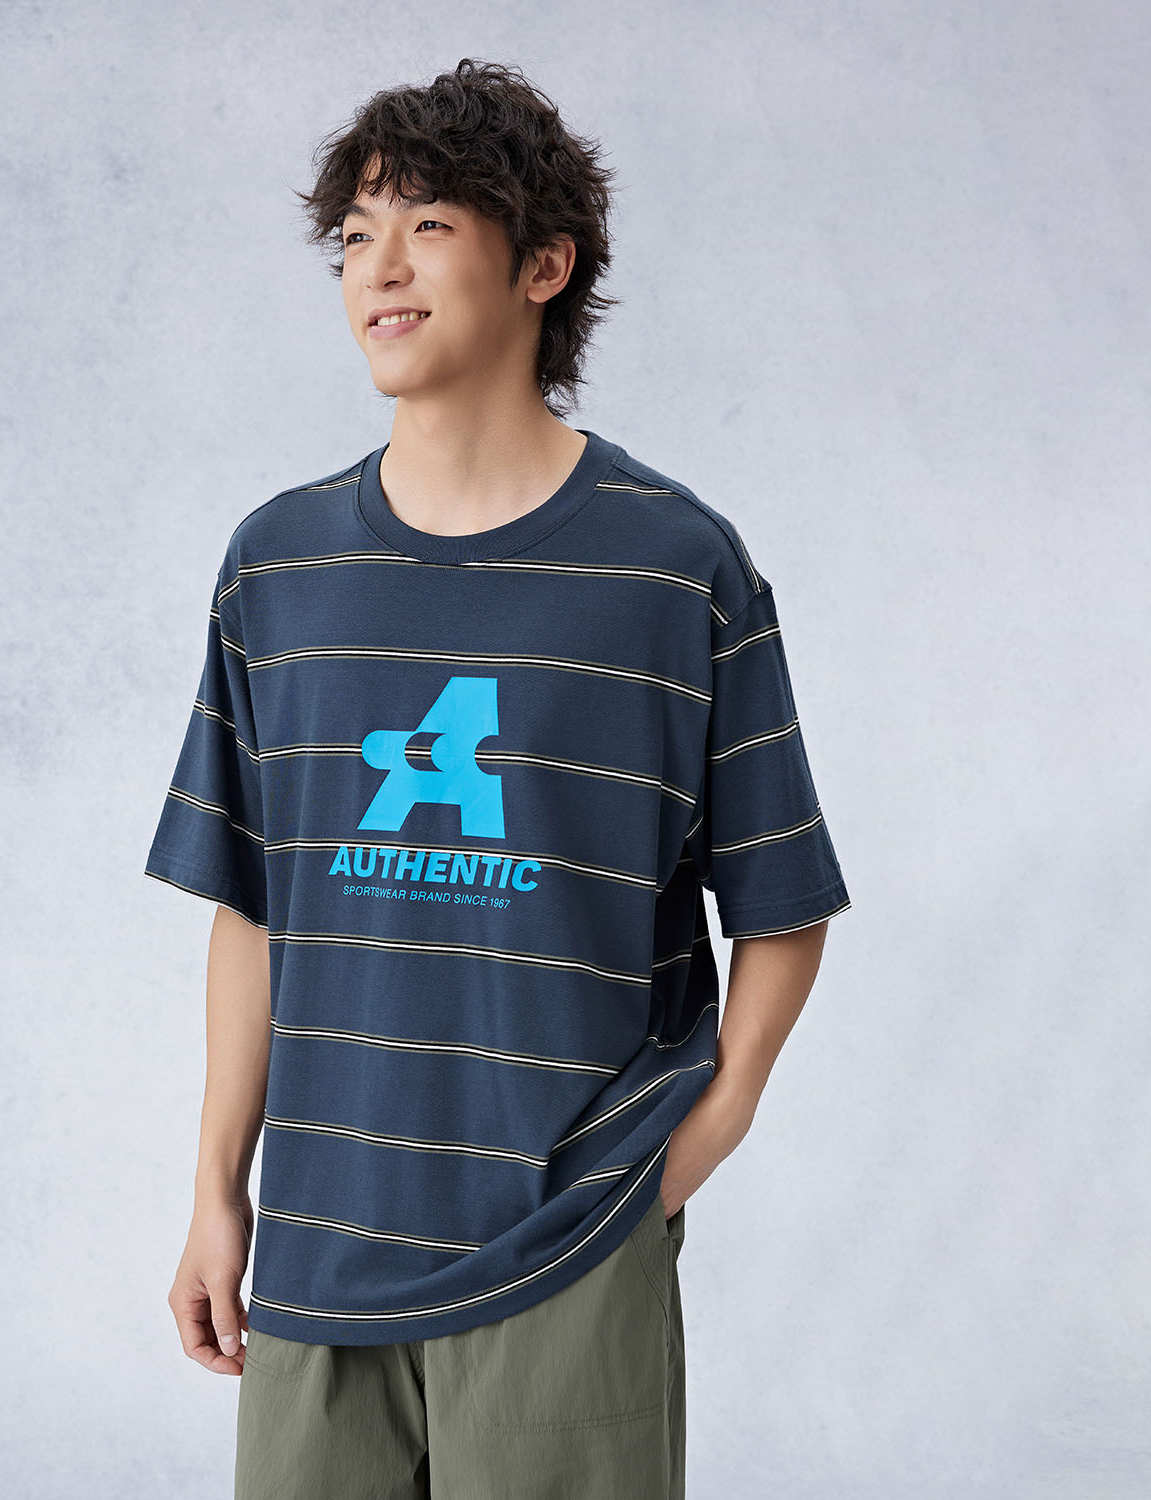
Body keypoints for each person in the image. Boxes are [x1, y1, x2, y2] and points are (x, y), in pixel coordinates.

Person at [144, 57, 851, 1500]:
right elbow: (254, 908)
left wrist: (692, 1146)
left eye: (428, 226)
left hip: (565, 1248)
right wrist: (218, 1191)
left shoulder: (674, 569)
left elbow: (783, 904)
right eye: (356, 234)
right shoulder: (279, 568)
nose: (378, 268)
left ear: (543, 265)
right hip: (318, 1253)